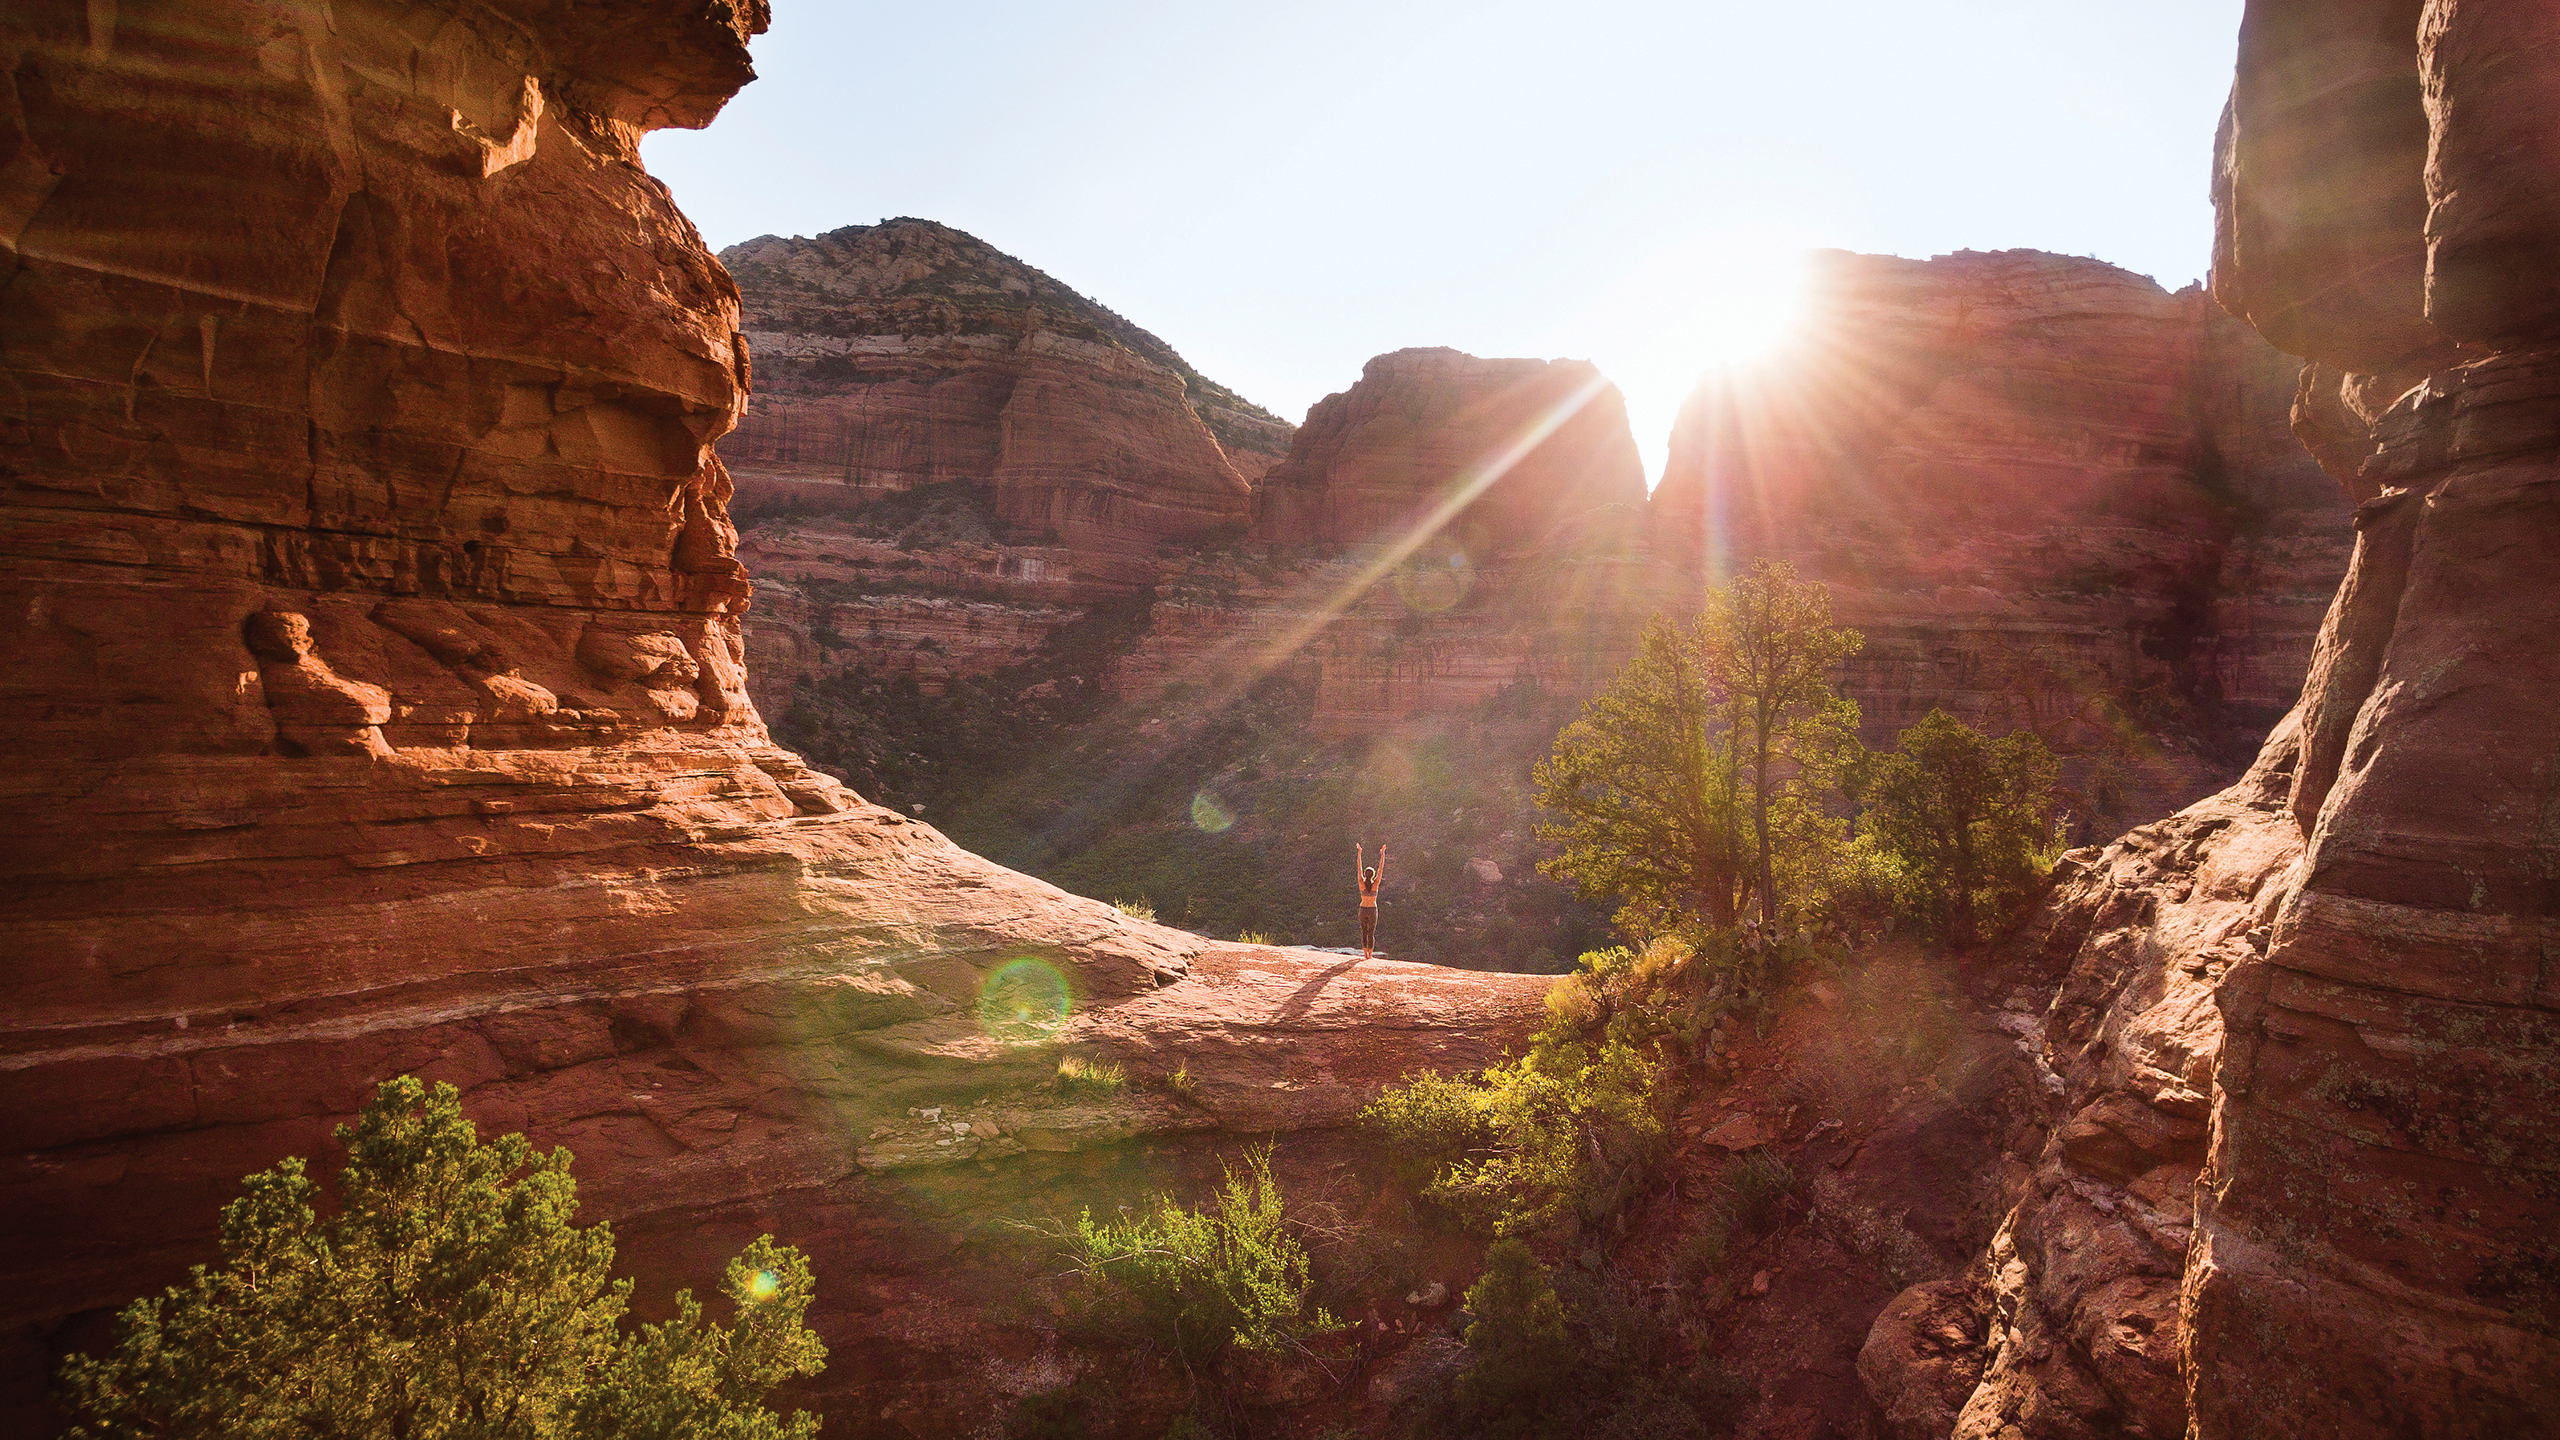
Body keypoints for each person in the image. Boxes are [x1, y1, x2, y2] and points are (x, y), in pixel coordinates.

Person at [1355, 840, 1387, 959]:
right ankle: (1370, 954)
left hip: (1363, 908)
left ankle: (1364, 954)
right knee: (1371, 933)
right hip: (1372, 909)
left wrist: (1359, 853)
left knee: (1364, 932)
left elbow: (1359, 867)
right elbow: (1381, 869)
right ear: (1373, 875)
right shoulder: (1376, 884)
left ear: (1365, 874)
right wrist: (1382, 854)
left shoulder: (1361, 883)